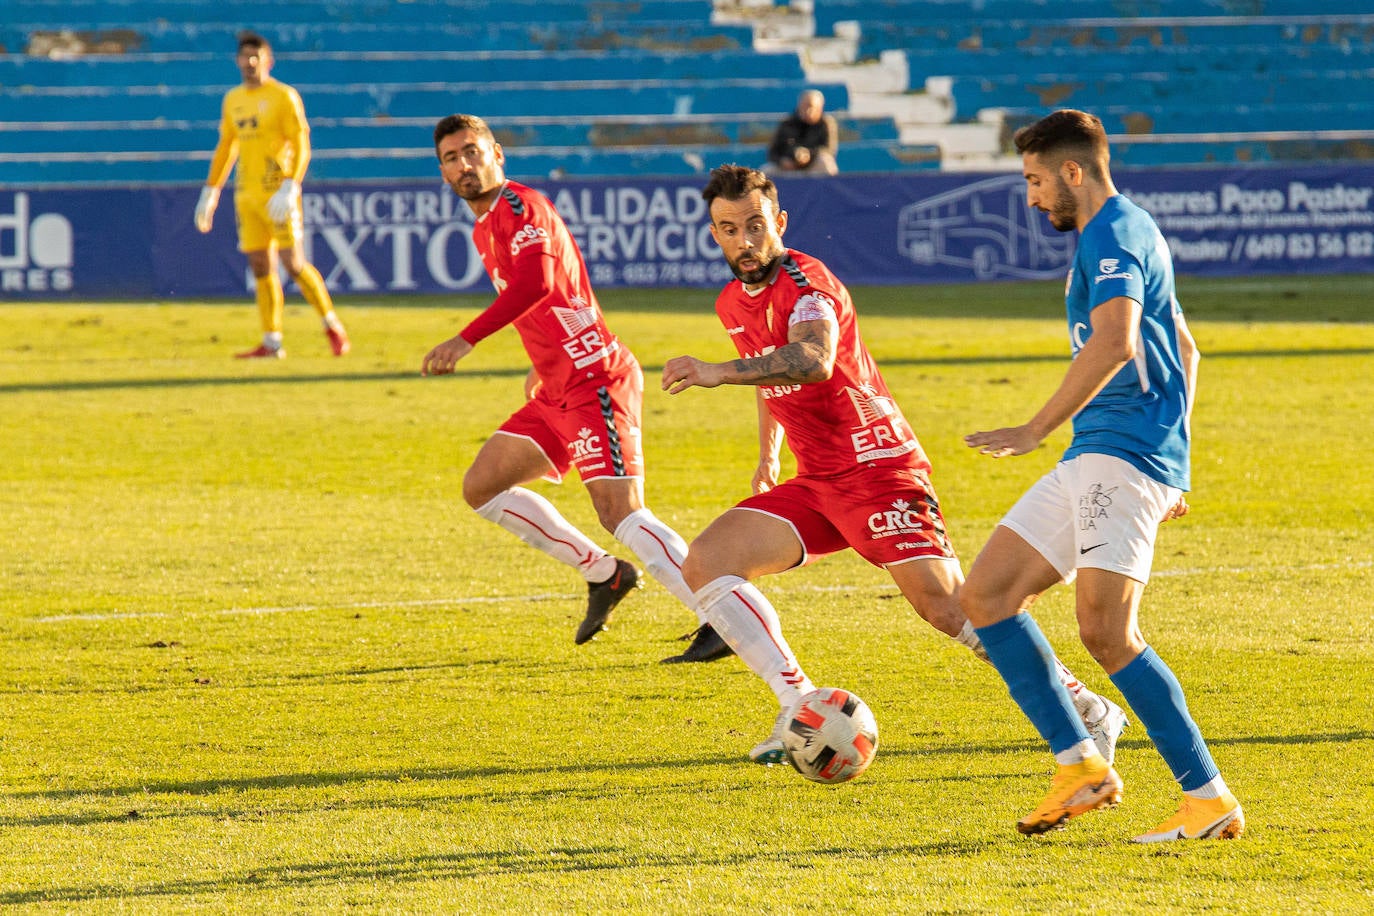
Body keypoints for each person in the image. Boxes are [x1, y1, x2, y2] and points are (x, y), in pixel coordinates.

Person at [661, 164, 1124, 765]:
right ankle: (799, 707)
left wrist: (715, 372)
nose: (744, 242)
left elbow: (811, 357)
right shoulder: (732, 299)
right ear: (714, 232)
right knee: (708, 562)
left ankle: (1089, 707)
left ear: (778, 222)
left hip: (878, 470)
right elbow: (767, 365)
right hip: (819, 480)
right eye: (728, 229)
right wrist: (768, 454)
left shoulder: (808, 283)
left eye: (754, 225)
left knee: (949, 610)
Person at [960, 109, 1243, 843]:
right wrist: (1176, 466)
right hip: (1102, 452)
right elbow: (1184, 345)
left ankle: (1208, 798)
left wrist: (1032, 428)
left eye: (1034, 181)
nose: (1030, 198)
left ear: (1073, 172)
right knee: (986, 595)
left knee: (1107, 633)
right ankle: (1079, 764)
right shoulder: (1118, 232)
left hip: (1118, 454)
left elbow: (1118, 342)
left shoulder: (1117, 232)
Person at [421, 114, 728, 658]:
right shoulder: (482, 226)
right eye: (451, 158)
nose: (464, 165)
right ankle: (605, 574)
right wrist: (541, 363)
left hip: (595, 382)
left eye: (472, 151)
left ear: (497, 153)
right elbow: (560, 294)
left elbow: (538, 281)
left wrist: (466, 340)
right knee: (482, 486)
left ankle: (721, 616)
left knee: (621, 510)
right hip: (556, 388)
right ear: (442, 172)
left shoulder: (522, 207)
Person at [193, 31, 349, 359]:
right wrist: (211, 190)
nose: (250, 63)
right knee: (261, 266)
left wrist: (291, 184)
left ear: (268, 61)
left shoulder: (284, 97)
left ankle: (331, 324)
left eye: (256, 57)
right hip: (246, 195)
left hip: (276, 192)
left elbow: (301, 143)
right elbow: (227, 146)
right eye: (244, 57)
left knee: (293, 264)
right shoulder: (232, 99)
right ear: (237, 61)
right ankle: (272, 341)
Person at [766, 90, 839, 176]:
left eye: (811, 106)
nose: (808, 110)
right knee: (767, 170)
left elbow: (829, 149)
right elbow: (773, 152)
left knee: (827, 163)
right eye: (805, 106)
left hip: (813, 166)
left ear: (820, 108)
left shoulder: (826, 124)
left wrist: (809, 155)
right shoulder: (787, 123)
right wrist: (782, 161)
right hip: (788, 167)